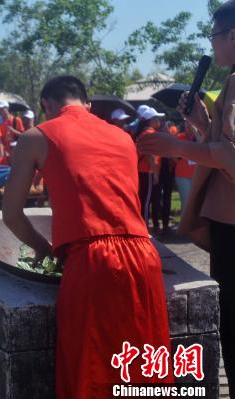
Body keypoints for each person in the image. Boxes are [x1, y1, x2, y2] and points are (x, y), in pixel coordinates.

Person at [3, 75, 172, 398]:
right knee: (142, 370)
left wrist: (45, 249)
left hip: (93, 260)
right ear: (88, 105)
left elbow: (11, 215)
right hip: (143, 254)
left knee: (93, 374)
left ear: (46, 106)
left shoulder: (35, 136)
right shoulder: (122, 136)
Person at [138, 2, 235, 394]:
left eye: (213, 36)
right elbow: (221, 142)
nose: (211, 46)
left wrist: (173, 146)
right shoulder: (229, 82)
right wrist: (199, 121)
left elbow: (229, 155)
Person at [135, 105, 163, 225]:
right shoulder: (150, 133)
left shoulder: (143, 132)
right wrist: (155, 172)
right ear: (151, 120)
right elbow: (150, 155)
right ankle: (145, 228)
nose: (159, 121)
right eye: (156, 118)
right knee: (146, 201)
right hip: (147, 171)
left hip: (142, 170)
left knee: (142, 200)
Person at [174, 121, 198, 210]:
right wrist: (180, 162)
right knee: (186, 201)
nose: (188, 125)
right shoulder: (179, 137)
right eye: (186, 123)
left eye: (190, 123)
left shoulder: (200, 138)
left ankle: (197, 223)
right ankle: (186, 223)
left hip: (198, 175)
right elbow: (172, 155)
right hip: (182, 175)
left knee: (198, 202)